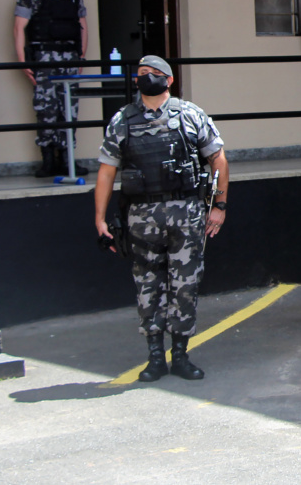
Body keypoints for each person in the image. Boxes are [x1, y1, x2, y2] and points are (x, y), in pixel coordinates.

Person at [95, 55, 229, 382]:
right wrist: (100, 218)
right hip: (141, 217)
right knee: (147, 286)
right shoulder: (122, 120)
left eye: (155, 73)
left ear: (169, 80)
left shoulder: (191, 115)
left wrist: (219, 206)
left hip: (186, 212)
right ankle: (155, 357)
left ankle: (180, 355)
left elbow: (219, 160)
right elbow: (106, 172)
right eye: (142, 73)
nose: (147, 77)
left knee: (185, 285)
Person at [14, 0, 89, 176]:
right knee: (46, 109)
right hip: (44, 58)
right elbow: (19, 28)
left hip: (69, 56)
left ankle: (68, 160)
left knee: (69, 110)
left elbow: (82, 24)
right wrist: (22, 61)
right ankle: (48, 161)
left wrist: (81, 56)